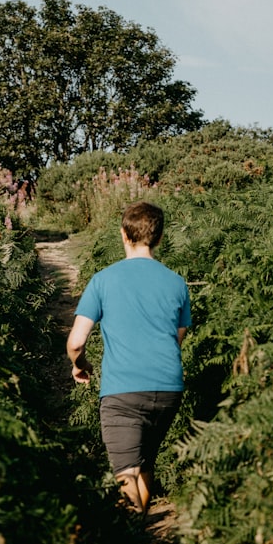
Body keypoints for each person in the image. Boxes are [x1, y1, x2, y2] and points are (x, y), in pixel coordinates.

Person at [66, 201, 191, 514]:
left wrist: (79, 366)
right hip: (169, 390)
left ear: (123, 234)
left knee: (126, 474)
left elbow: (76, 342)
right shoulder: (177, 282)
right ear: (159, 238)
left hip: (123, 392)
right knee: (144, 464)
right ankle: (144, 537)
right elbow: (178, 336)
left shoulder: (104, 280)